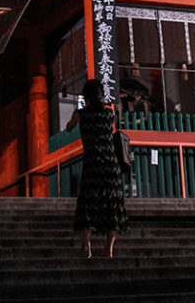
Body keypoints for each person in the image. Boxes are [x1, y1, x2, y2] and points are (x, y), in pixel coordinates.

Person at [65, 79, 128, 258]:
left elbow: (69, 128)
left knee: (88, 205)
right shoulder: (109, 114)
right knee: (112, 206)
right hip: (110, 164)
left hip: (92, 164)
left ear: (85, 96)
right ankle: (109, 248)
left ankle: (86, 248)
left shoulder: (80, 114)